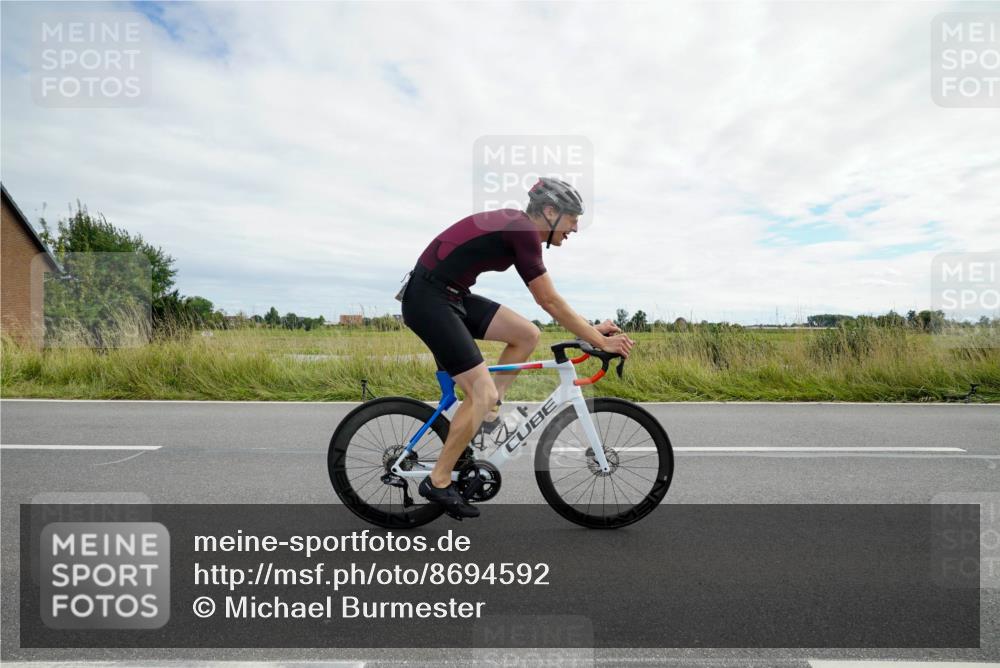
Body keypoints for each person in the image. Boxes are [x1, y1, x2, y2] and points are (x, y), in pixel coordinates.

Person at [399, 177, 634, 519]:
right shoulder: (522, 230)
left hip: (450, 296)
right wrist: (599, 341)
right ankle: (438, 480)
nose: (576, 228)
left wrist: (590, 330)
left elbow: (550, 301)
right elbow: (548, 299)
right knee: (478, 392)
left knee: (526, 334)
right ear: (551, 211)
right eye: (572, 218)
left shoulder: (519, 228)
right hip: (429, 299)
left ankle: (489, 408)